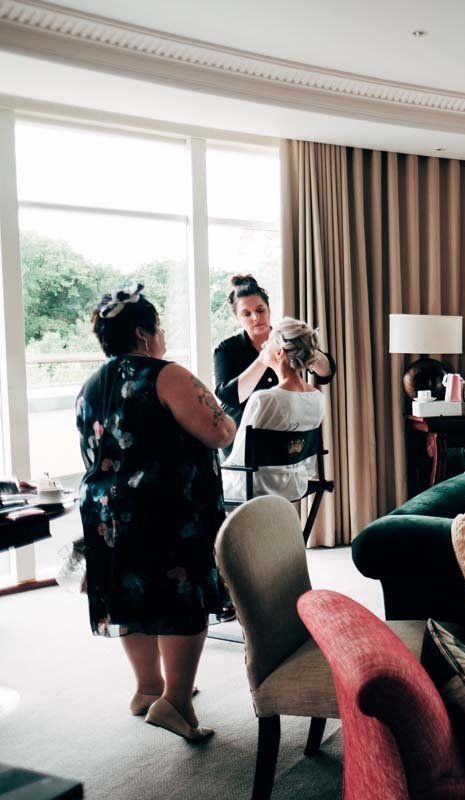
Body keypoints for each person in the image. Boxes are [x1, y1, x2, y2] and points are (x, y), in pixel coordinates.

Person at [75, 283, 237, 741]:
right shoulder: (166, 374)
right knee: (184, 601)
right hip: (165, 510)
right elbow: (219, 432)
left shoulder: (91, 385)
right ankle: (176, 702)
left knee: (133, 595)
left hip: (106, 512)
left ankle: (147, 687)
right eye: (159, 327)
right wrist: (219, 411)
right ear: (145, 334)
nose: (163, 335)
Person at [213, 275, 335, 431]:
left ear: (269, 309)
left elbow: (326, 373)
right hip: (244, 438)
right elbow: (229, 397)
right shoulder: (226, 350)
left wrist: (305, 347)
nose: (256, 317)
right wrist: (264, 358)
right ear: (237, 317)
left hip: (287, 430)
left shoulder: (286, 338)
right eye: (246, 314)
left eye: (260, 310)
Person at [222, 317, 326, 502]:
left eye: (268, 341)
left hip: (258, 487)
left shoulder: (264, 399)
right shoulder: (317, 399)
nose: (263, 345)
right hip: (296, 484)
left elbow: (240, 459)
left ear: (279, 352)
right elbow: (308, 463)